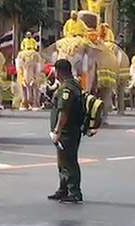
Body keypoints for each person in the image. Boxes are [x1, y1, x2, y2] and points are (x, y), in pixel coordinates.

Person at [48, 59, 85, 204]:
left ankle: (74, 192)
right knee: (63, 161)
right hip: (69, 130)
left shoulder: (67, 88)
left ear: (58, 72)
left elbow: (64, 111)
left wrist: (57, 130)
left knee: (69, 161)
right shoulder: (73, 84)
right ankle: (63, 189)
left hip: (67, 131)